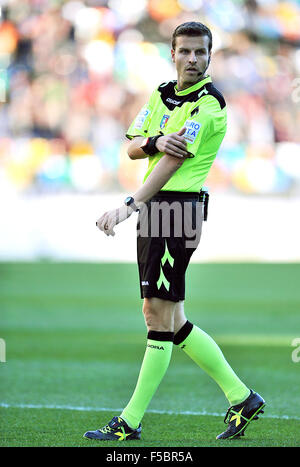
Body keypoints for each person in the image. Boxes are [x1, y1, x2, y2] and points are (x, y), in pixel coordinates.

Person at [84, 21, 265, 442]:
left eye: (200, 52)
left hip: (175, 211)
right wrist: (155, 139)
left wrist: (129, 205)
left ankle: (129, 421)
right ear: (173, 53)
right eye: (184, 51)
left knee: (156, 315)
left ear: (209, 56)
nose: (192, 59)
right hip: (159, 211)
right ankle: (241, 397)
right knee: (170, 316)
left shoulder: (210, 105)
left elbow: (173, 163)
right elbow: (133, 146)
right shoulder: (161, 93)